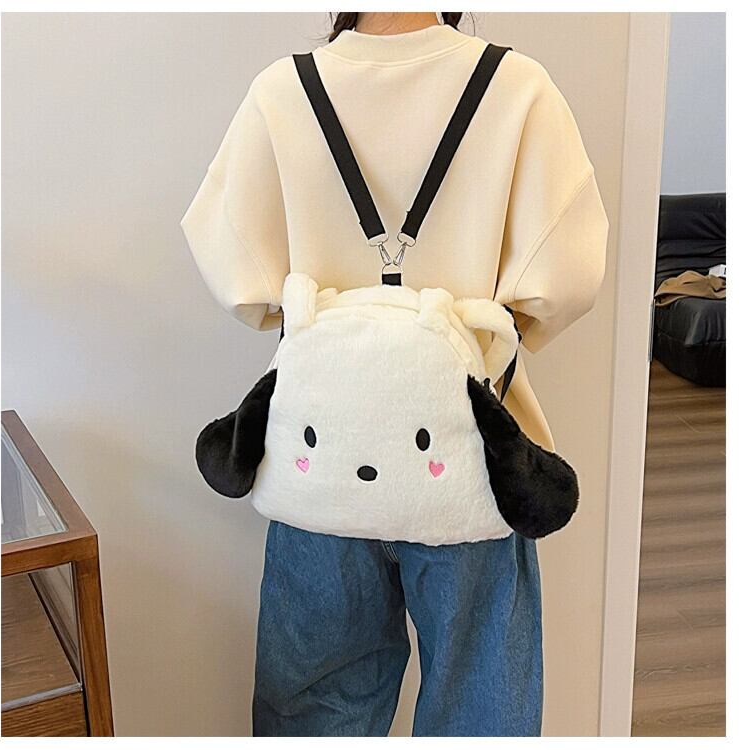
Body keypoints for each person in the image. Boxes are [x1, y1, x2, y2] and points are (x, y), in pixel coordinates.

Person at [181, 11, 608, 737]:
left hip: (320, 470)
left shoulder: (281, 93)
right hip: (468, 468)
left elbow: (239, 275)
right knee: (480, 712)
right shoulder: (519, 90)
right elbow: (562, 284)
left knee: (315, 715)